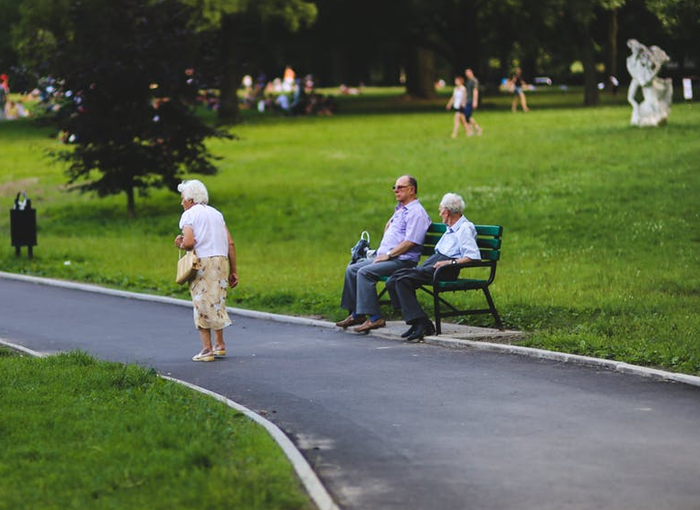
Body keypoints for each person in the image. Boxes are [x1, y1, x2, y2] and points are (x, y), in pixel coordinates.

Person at [336, 175, 431, 333]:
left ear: (412, 190)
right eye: (394, 187)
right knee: (352, 268)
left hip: (402, 260)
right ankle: (357, 313)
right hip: (388, 257)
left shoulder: (417, 213)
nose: (396, 190)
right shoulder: (401, 210)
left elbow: (411, 242)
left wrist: (388, 255)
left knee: (365, 272)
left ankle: (375, 318)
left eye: (400, 187)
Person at [385, 193, 480, 342]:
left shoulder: (465, 228)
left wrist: (449, 263)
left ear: (447, 212)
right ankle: (417, 322)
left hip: (445, 269)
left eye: (440, 210)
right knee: (393, 279)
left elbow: (473, 256)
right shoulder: (451, 228)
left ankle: (421, 323)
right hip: (435, 263)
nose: (439, 213)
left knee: (403, 280)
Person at [174, 180, 238, 362]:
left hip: (202, 263)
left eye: (182, 199)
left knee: (201, 303)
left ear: (190, 198)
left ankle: (206, 349)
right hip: (221, 261)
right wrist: (234, 270)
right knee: (216, 301)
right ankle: (220, 345)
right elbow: (230, 243)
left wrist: (179, 243)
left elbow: (188, 243)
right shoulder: (217, 214)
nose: (181, 203)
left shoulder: (188, 215)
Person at [464, 69, 483, 136]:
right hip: (467, 100)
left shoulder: (474, 81)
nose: (467, 74)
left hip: (471, 100)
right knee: (467, 116)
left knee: (467, 116)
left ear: (471, 72)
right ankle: (471, 130)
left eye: (468, 72)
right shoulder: (468, 81)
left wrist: (475, 101)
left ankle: (477, 128)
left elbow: (475, 91)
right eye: (466, 73)